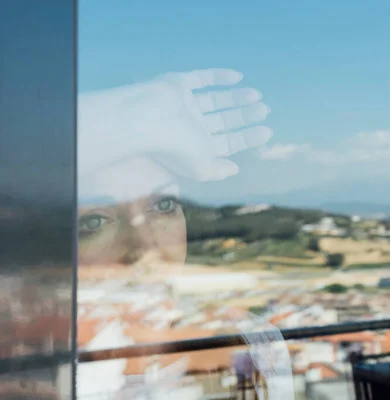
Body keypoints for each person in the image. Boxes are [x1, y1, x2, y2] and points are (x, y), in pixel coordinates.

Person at [78, 69, 294, 399]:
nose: (145, 248)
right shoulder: (34, 359)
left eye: (163, 205)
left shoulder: (252, 340)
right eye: (95, 222)